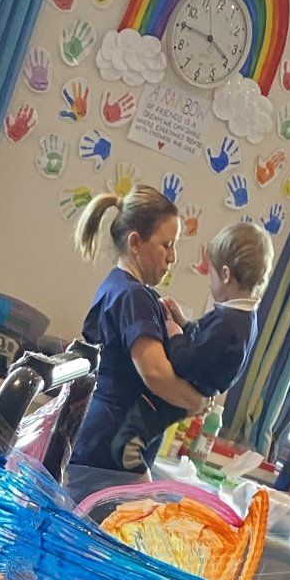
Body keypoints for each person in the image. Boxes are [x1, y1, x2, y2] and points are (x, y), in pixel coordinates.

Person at [65, 185, 211, 504]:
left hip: (104, 439)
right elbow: (155, 374)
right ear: (135, 243)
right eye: (166, 245)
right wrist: (196, 401)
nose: (172, 257)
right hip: (111, 444)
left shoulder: (116, 287)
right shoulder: (134, 296)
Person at [109, 220, 274, 475]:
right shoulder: (241, 317)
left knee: (129, 441)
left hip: (187, 389)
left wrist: (175, 334)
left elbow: (186, 361)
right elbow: (205, 343)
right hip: (198, 387)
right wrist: (184, 322)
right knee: (141, 433)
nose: (210, 283)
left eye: (213, 275)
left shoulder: (228, 323)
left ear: (227, 275)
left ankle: (141, 483)